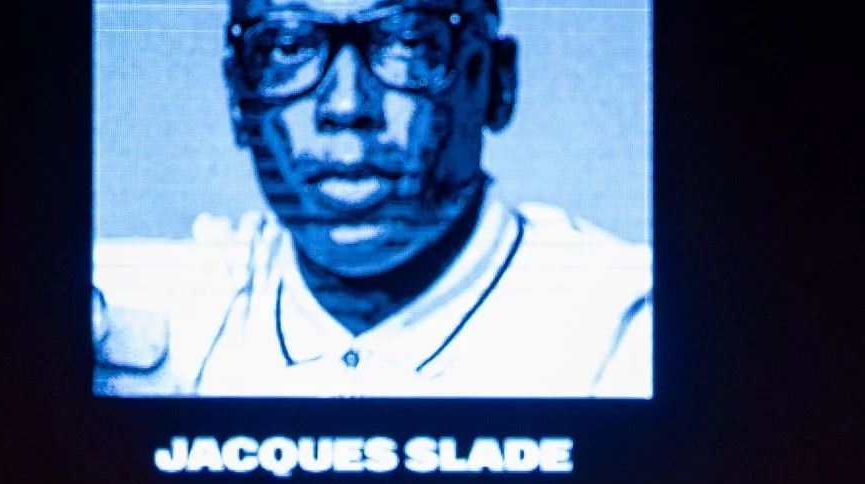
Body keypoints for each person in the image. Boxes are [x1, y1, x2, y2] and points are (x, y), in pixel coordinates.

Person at [93, 0, 651, 397]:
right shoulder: (128, 317)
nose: (346, 105)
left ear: (497, 83)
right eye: (287, 46)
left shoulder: (625, 329)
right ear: (237, 100)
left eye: (408, 41)